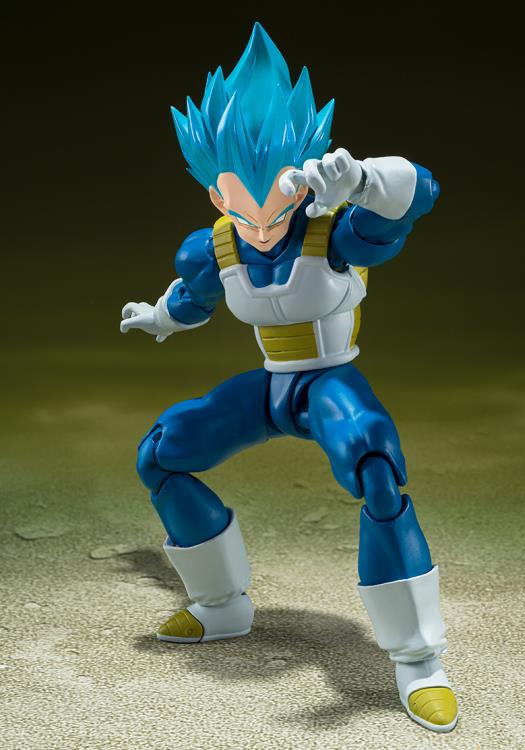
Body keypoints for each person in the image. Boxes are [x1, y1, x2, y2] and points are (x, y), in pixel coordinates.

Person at [120, 22, 458, 733]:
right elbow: (195, 298)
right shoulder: (215, 245)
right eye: (240, 206)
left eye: (275, 204)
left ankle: (419, 659)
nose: (261, 224)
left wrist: (360, 180)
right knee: (163, 452)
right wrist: (159, 317)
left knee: (374, 468)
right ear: (217, 196)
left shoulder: (336, 230)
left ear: (300, 180)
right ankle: (221, 606)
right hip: (273, 386)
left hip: (331, 385)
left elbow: (420, 193)